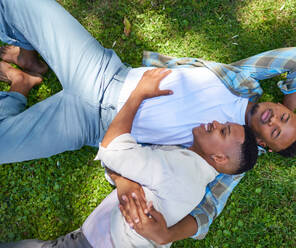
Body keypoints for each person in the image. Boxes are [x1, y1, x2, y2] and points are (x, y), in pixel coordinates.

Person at [0, 0, 296, 242]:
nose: (273, 117)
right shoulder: (244, 80)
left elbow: (206, 213)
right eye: (283, 116)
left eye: (275, 131)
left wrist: (166, 235)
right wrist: (289, 113)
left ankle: (19, 87)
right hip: (103, 74)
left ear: (263, 144)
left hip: (90, 126)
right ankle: (26, 56)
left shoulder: (232, 156)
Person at [0, 68, 259, 248]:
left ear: (219, 157)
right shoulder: (192, 175)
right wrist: (123, 179)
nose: (215, 122)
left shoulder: (181, 167)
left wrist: (139, 93)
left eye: (223, 130)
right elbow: (118, 166)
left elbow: (112, 149)